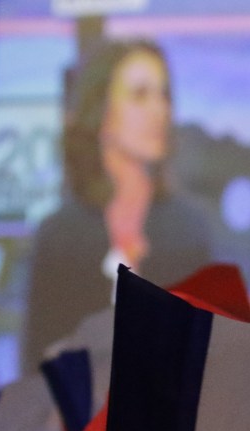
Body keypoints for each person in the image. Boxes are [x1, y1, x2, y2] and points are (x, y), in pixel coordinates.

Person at [22, 39, 212, 374]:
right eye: (140, 95)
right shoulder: (59, 236)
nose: (159, 110)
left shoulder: (190, 231)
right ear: (101, 110)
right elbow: (36, 364)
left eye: (163, 95)